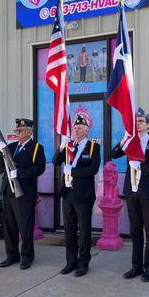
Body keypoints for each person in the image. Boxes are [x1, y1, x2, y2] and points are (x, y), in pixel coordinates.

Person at [111, 108, 149, 282]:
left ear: (148, 124)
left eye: (142, 121)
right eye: (136, 121)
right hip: (131, 191)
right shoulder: (130, 141)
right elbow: (113, 154)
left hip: (147, 191)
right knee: (135, 231)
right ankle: (136, 266)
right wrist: (125, 139)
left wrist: (142, 167)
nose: (138, 123)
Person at [0, 118, 45, 270]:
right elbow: (1, 165)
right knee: (10, 226)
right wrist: (0, 156)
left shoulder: (36, 148)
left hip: (25, 193)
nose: (17, 133)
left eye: (20, 131)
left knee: (25, 227)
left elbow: (39, 169)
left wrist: (19, 173)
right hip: (9, 192)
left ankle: (27, 257)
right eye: (16, 131)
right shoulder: (12, 147)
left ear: (28, 132)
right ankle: (12, 255)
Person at [52, 114, 101, 277]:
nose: (75, 130)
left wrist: (72, 170)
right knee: (69, 230)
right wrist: (61, 147)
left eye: (79, 128)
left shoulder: (94, 147)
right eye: (74, 127)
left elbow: (92, 170)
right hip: (68, 193)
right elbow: (55, 161)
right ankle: (70, 262)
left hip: (83, 195)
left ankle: (83, 263)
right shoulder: (69, 146)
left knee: (84, 231)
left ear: (86, 131)